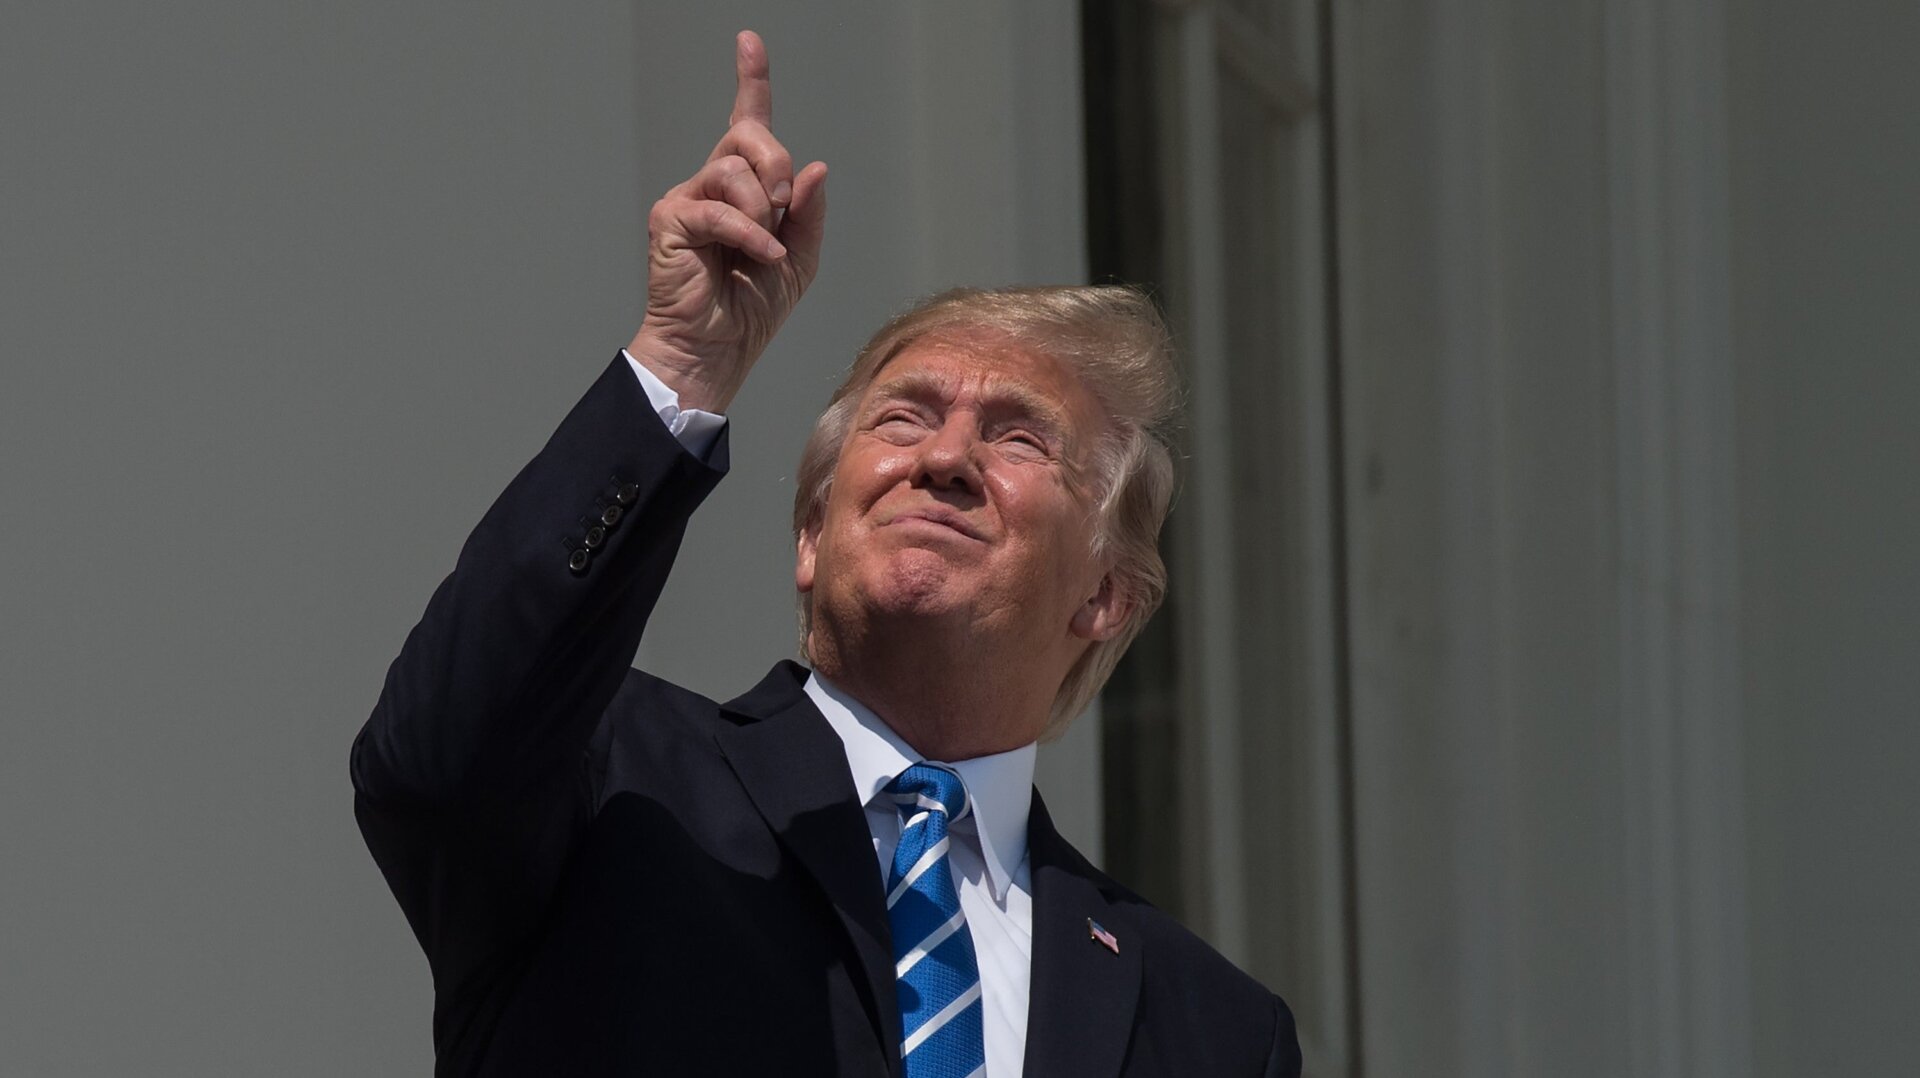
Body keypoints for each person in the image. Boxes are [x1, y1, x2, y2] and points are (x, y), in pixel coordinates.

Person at [352, 29, 1301, 1078]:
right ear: (809, 538)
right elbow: (430, 760)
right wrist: (682, 359)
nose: (945, 456)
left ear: (1107, 596)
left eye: (1019, 436)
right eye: (902, 419)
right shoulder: (613, 782)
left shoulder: (1212, 1025)